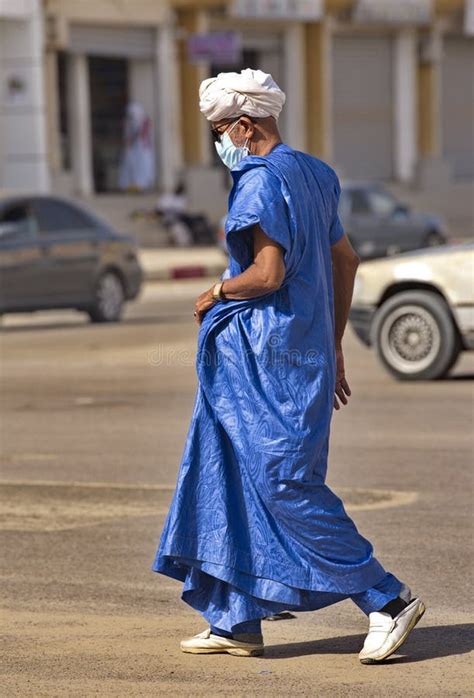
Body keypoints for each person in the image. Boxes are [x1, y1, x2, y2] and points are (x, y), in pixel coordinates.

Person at [150, 68, 426, 663]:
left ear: (246, 126)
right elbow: (345, 262)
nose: (219, 141)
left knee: (283, 480)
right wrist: (332, 345)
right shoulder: (317, 174)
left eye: (221, 129)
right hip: (294, 357)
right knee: (225, 472)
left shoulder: (258, 182)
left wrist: (217, 292)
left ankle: (387, 598)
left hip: (264, 361)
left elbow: (267, 275)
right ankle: (235, 619)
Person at [118, 101, 155, 192]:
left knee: (144, 169)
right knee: (130, 168)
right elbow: (128, 138)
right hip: (133, 150)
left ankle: (142, 186)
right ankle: (130, 187)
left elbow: (144, 137)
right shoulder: (129, 123)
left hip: (143, 150)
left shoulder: (145, 122)